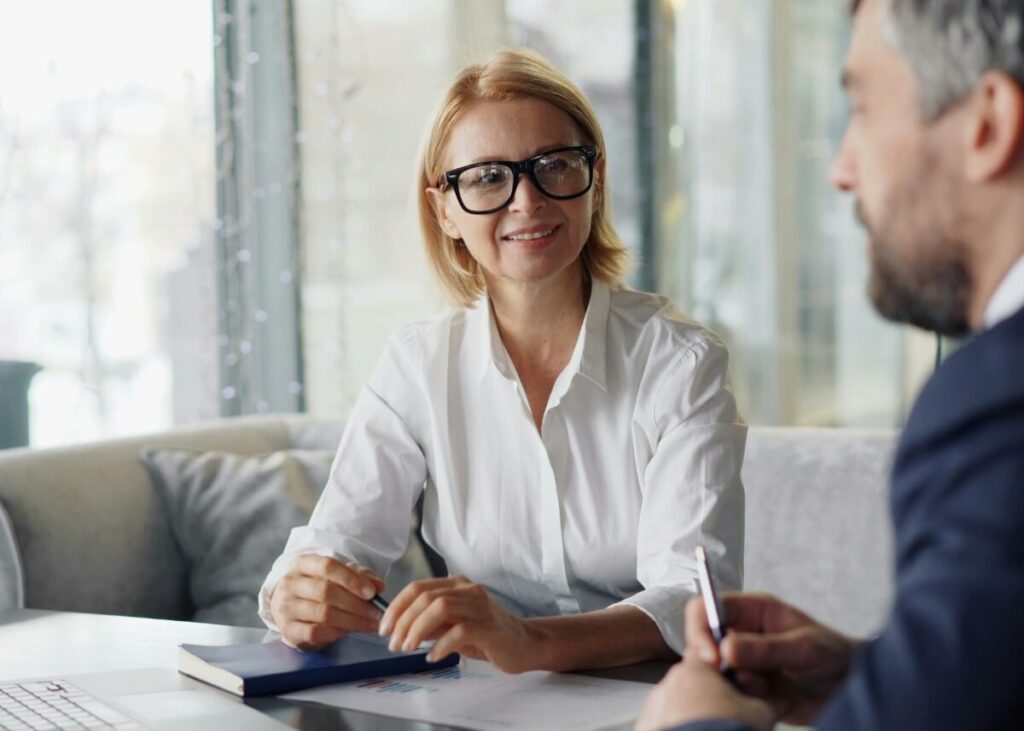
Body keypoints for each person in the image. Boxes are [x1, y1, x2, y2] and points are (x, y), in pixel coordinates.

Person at [258, 48, 747, 673]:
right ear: (445, 211)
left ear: (593, 182)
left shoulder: (680, 362)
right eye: (488, 177)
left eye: (555, 165)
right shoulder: (418, 366)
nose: (527, 201)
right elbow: (338, 547)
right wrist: (295, 598)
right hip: (482, 704)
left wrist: (529, 641)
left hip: (652, 698)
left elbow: (693, 597)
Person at [636, 0, 1024, 728]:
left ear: (989, 125)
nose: (842, 169)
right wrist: (869, 676)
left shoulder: (995, 404)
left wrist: (694, 722)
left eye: (863, 108)